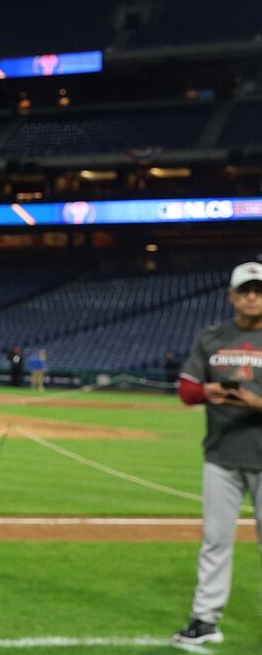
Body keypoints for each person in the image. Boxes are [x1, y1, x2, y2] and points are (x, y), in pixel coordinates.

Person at [171, 261, 262, 648]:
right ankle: (205, 620)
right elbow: (187, 389)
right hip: (222, 454)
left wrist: (256, 402)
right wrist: (207, 393)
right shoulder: (211, 338)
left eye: (258, 291)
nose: (252, 297)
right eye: (245, 291)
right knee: (216, 540)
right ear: (231, 296)